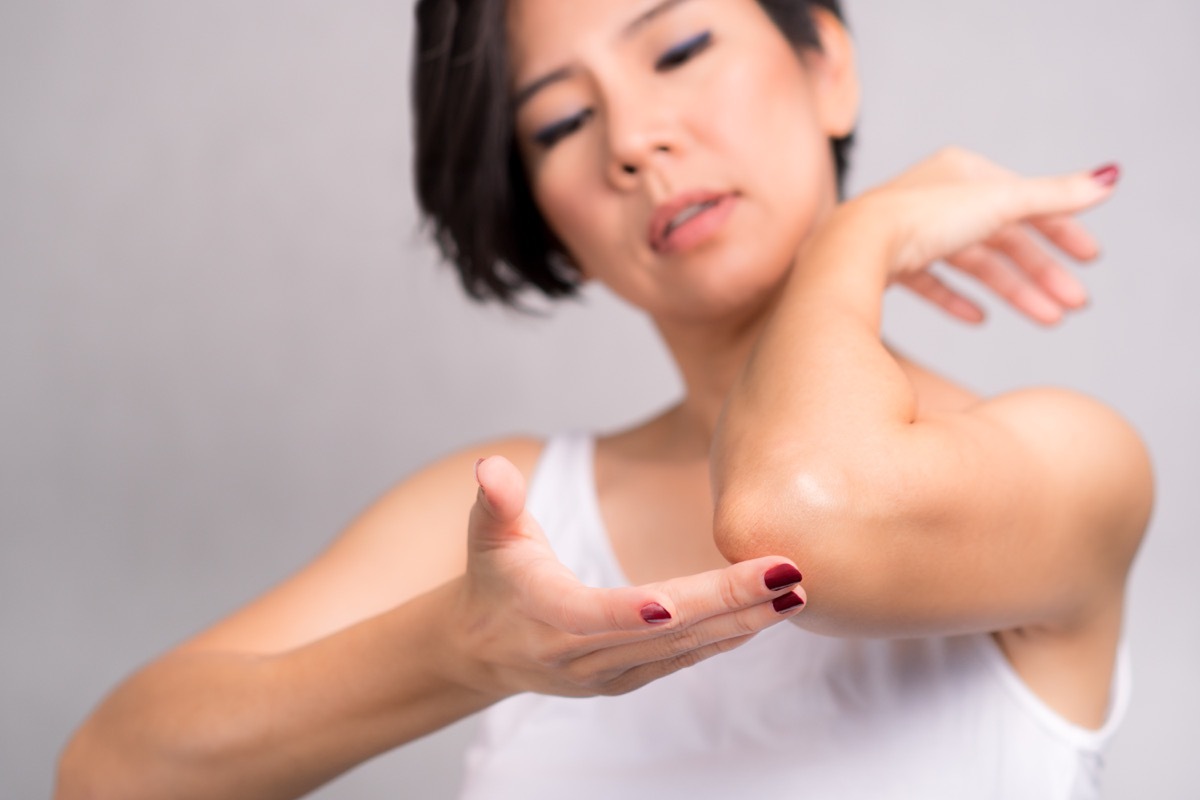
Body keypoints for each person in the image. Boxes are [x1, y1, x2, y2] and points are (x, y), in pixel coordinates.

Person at [56, 0, 1153, 797]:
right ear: (546, 212)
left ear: (828, 64)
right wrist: (461, 646)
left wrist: (853, 244)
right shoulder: (512, 512)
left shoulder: (1065, 461)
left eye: (678, 48)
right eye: (559, 126)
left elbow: (799, 513)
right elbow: (110, 774)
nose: (634, 141)